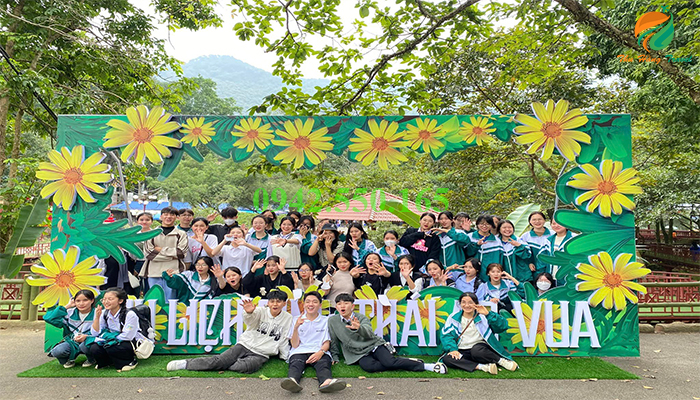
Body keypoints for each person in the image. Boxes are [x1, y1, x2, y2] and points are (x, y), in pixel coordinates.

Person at [167, 290, 293, 373]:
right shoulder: (260, 311)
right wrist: (249, 312)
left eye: (278, 301)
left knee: (246, 368)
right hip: (245, 345)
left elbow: (283, 338)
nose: (275, 304)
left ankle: (223, 364)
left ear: (284, 303)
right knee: (220, 360)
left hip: (262, 353)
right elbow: (250, 321)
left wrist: (285, 356)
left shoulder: (288, 318)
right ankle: (185, 364)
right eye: (272, 301)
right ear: (268, 303)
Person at [329, 293, 447, 374]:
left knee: (389, 362)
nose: (342, 306)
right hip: (357, 353)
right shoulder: (332, 320)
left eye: (345, 303)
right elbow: (334, 340)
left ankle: (426, 366)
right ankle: (405, 361)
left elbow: (369, 334)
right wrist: (334, 356)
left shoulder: (361, 318)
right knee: (369, 367)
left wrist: (358, 328)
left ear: (352, 306)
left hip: (374, 345)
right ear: (336, 307)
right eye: (339, 304)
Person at [280, 291, 347, 393]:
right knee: (296, 364)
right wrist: (296, 327)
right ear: (303, 304)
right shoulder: (295, 320)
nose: (311, 304)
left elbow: (326, 342)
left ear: (320, 305)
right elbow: (294, 345)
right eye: (308, 302)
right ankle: (292, 381)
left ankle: (326, 382)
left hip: (318, 350)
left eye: (315, 302)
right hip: (299, 351)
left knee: (323, 364)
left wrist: (320, 353)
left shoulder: (325, 320)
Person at [440, 292, 518, 375]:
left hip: (480, 349)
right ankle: (483, 367)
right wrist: (453, 349)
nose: (467, 305)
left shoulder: (483, 316)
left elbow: (502, 326)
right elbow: (447, 335)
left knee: (476, 351)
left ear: (476, 304)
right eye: (463, 302)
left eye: (470, 302)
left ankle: (501, 361)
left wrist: (488, 314)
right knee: (447, 359)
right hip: (462, 350)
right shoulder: (453, 318)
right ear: (460, 304)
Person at [90, 287, 153, 371]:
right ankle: (106, 362)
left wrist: (109, 339)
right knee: (95, 347)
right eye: (104, 299)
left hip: (128, 341)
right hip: (112, 339)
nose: (106, 302)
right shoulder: (104, 313)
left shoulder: (130, 314)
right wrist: (97, 318)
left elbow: (128, 336)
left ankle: (129, 361)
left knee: (112, 347)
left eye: (110, 299)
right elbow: (95, 333)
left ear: (120, 301)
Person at [141, 206, 189, 300]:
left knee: (171, 301)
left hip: (173, 272)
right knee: (154, 300)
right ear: (161, 216)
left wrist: (160, 250)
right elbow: (149, 254)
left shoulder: (181, 234)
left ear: (176, 217)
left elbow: (181, 253)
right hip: (154, 272)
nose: (168, 217)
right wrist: (172, 255)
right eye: (165, 214)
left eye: (172, 214)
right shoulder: (152, 233)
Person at [44, 290, 97, 368]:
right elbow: (49, 318)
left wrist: (87, 336)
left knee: (86, 346)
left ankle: (92, 359)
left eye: (85, 300)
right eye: (78, 301)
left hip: (89, 340)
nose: (81, 303)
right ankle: (69, 359)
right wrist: (67, 306)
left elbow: (102, 330)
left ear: (92, 300)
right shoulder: (69, 312)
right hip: (72, 341)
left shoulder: (98, 313)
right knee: (57, 351)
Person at [537, 217, 577, 284]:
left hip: (569, 277)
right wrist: (541, 275)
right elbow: (542, 260)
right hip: (550, 278)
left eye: (559, 223)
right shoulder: (548, 241)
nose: (556, 226)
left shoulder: (574, 239)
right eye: (553, 223)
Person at [465, 215, 503, 282]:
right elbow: (467, 253)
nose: (484, 226)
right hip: (472, 274)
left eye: (488, 224)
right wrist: (477, 245)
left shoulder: (496, 241)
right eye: (482, 224)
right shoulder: (470, 237)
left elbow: (498, 259)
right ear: (477, 224)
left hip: (488, 276)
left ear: (491, 225)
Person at [497, 219, 533, 284]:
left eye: (510, 227)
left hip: (522, 277)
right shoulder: (496, 243)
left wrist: (519, 246)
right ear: (499, 229)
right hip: (504, 278)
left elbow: (527, 255)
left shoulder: (519, 240)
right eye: (504, 227)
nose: (507, 229)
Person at [519, 212, 552, 279]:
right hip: (533, 271)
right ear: (530, 222)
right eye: (534, 220)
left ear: (544, 220)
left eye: (540, 219)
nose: (537, 222)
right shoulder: (525, 236)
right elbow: (522, 253)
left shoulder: (552, 234)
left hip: (550, 269)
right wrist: (529, 263)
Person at [133, 212, 154, 293]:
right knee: (136, 284)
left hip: (152, 262)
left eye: (147, 220)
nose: (144, 222)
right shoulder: (134, 234)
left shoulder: (156, 234)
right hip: (138, 262)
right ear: (137, 221)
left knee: (149, 284)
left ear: (151, 221)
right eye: (141, 220)